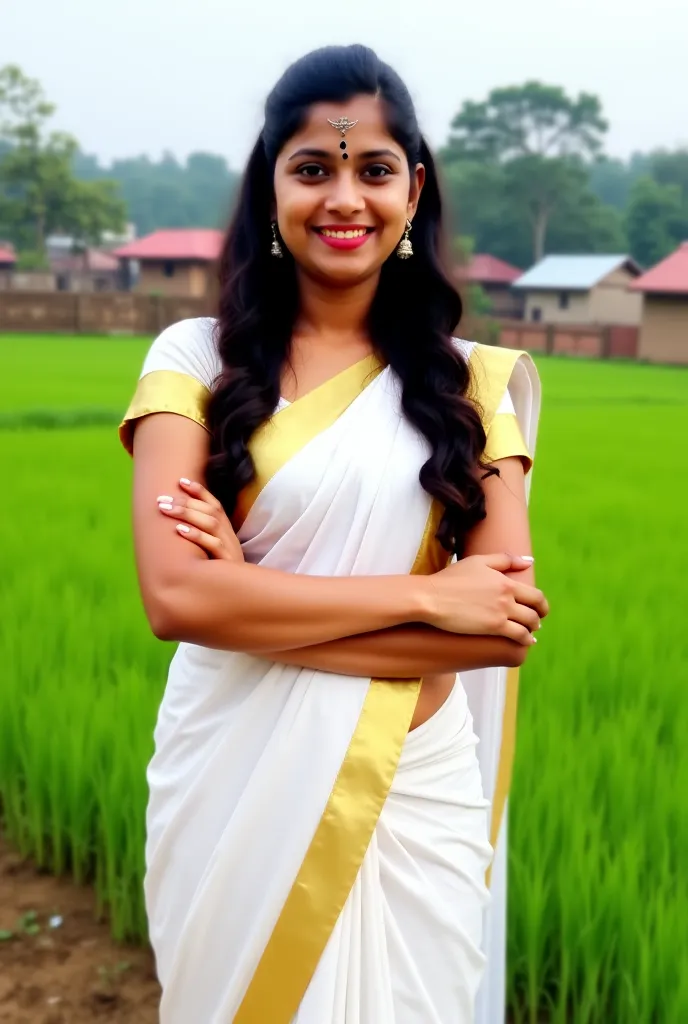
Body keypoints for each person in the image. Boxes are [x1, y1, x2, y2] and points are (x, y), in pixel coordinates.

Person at [120, 44, 547, 1024]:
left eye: (372, 168)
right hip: (229, 778)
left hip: (409, 789)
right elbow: (176, 599)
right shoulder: (195, 361)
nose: (343, 197)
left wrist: (251, 602)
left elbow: (499, 628)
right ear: (270, 184)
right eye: (312, 167)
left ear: (414, 186)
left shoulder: (471, 385)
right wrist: (426, 595)